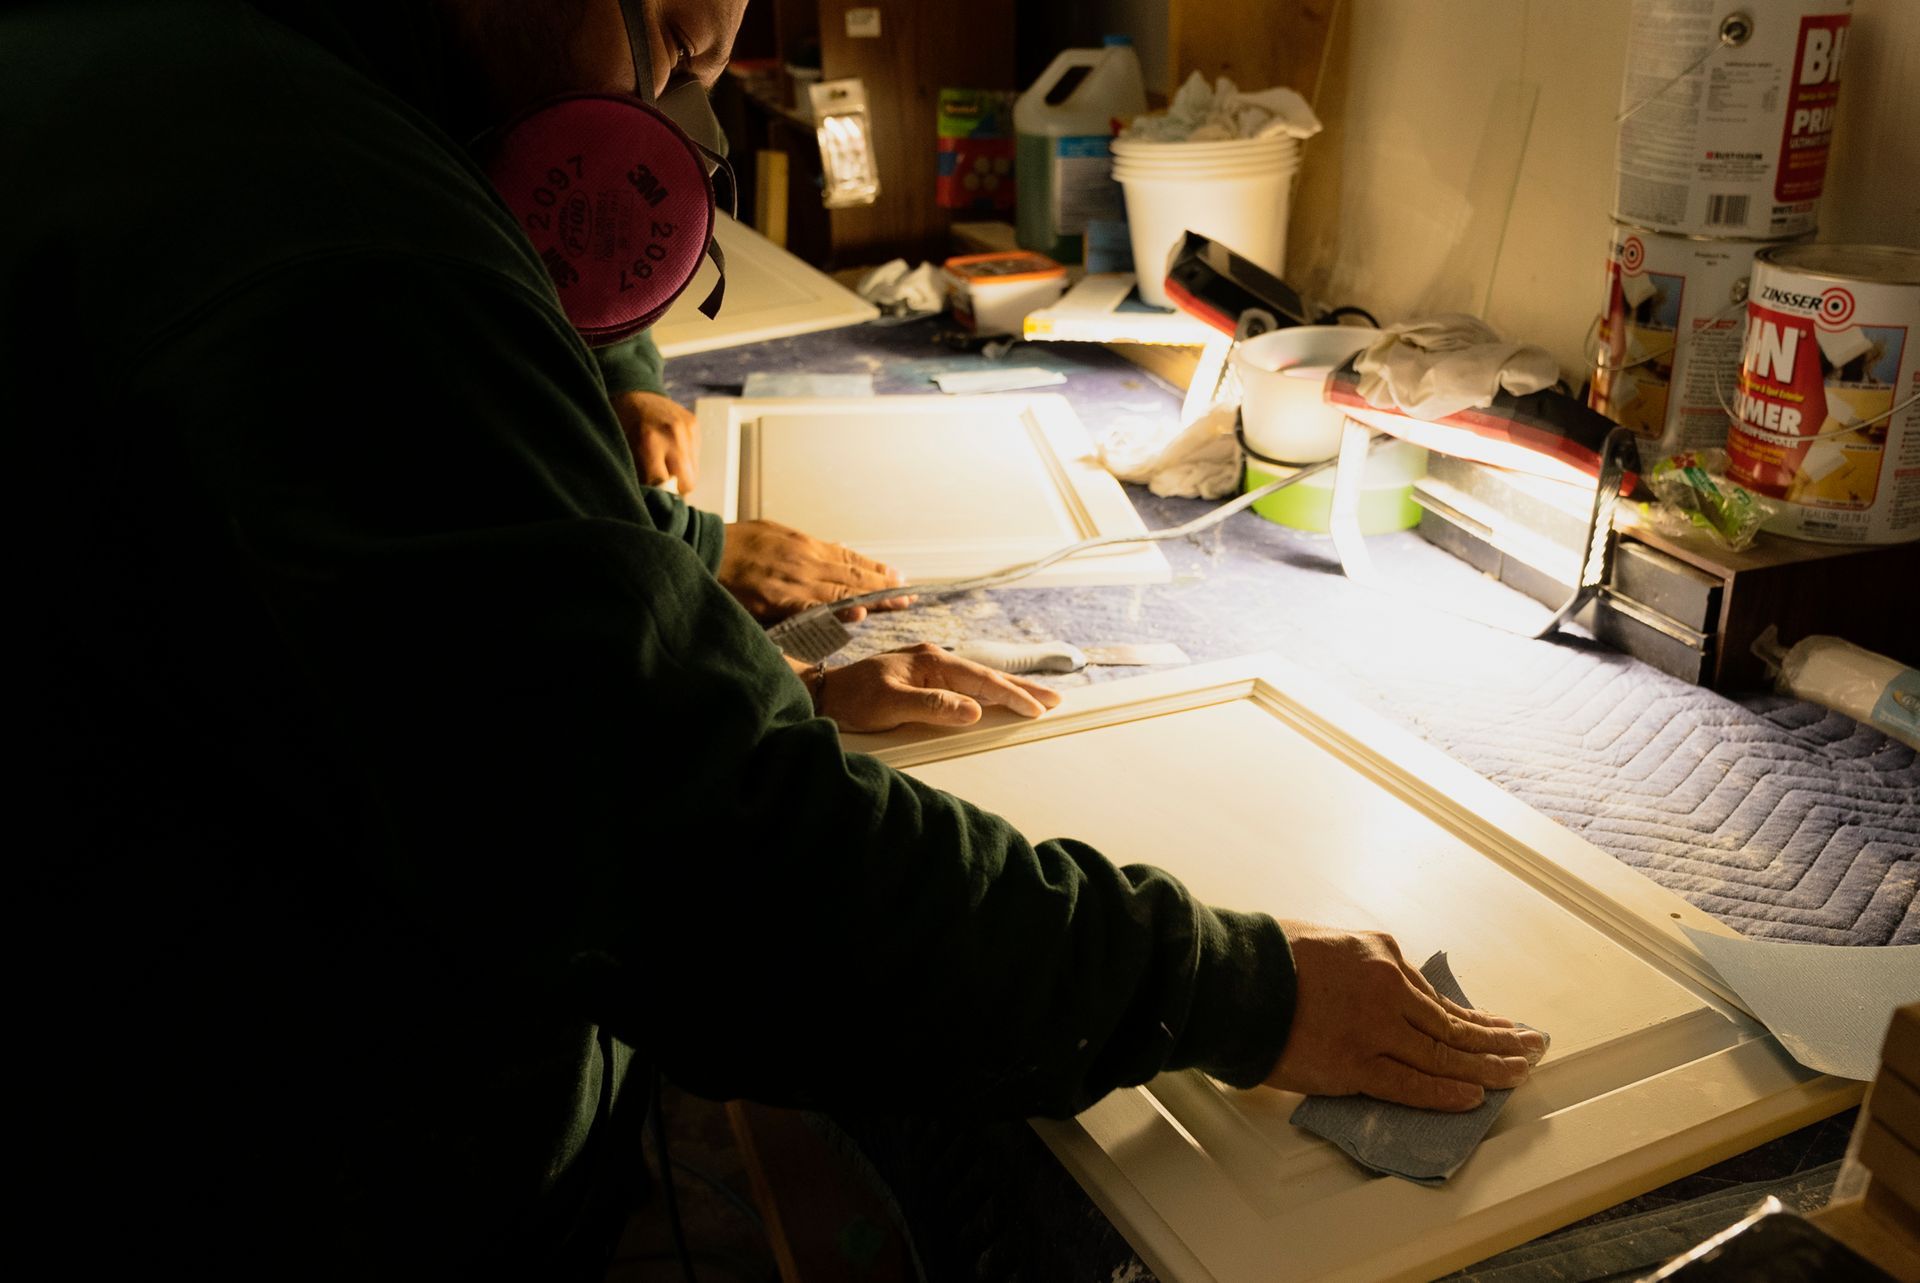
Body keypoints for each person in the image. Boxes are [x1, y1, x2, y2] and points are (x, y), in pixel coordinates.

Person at [8, 1, 1544, 1277]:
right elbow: (717, 872)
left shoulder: (196, 78)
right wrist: (1232, 984)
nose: (683, 64)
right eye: (664, 22)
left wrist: (722, 661)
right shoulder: (312, 220)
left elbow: (429, 632)